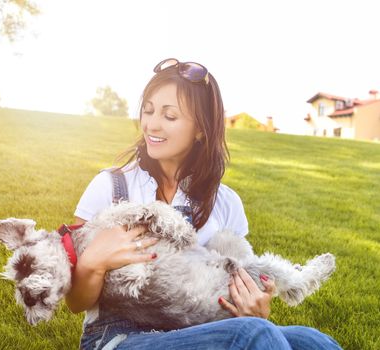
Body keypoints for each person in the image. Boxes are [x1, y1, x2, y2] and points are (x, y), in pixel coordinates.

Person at [65, 58, 342, 350]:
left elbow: (235, 286)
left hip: (201, 327)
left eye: (169, 116)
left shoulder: (226, 202)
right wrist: (93, 262)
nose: (152, 124)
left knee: (314, 342)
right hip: (118, 337)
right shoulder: (111, 187)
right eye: (148, 111)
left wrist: (255, 308)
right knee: (251, 336)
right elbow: (75, 302)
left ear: (200, 129)